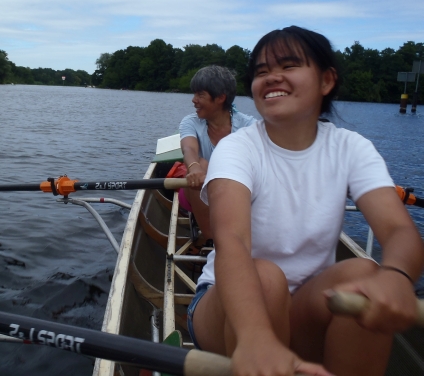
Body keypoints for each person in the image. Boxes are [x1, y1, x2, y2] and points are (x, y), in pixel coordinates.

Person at [187, 26, 424, 376]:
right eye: (262, 71)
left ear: (326, 81)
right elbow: (232, 240)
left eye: (288, 66)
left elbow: (398, 229)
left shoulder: (350, 147)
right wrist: (255, 336)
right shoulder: (237, 148)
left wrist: (398, 276)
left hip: (310, 306)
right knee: (265, 278)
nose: (271, 77)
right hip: (229, 302)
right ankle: (258, 349)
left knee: (364, 273)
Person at [179, 65, 255, 240]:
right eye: (194, 94)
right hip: (197, 191)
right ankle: (212, 238)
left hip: (237, 194)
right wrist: (194, 167)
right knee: (204, 164)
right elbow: (189, 148)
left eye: (200, 95)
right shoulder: (190, 122)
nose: (193, 100)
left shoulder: (249, 125)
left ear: (220, 98)